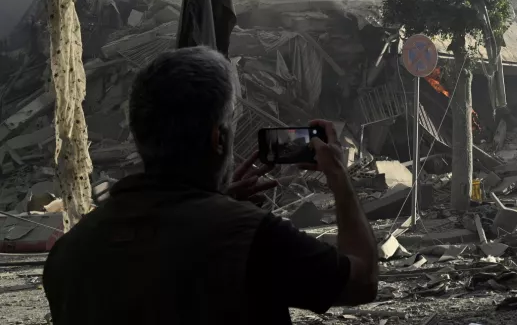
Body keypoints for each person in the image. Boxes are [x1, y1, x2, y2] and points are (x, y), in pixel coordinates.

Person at [43, 47, 378, 325]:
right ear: (219, 138)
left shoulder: (69, 253)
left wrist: (213, 202)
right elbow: (361, 282)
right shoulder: (250, 236)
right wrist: (339, 177)